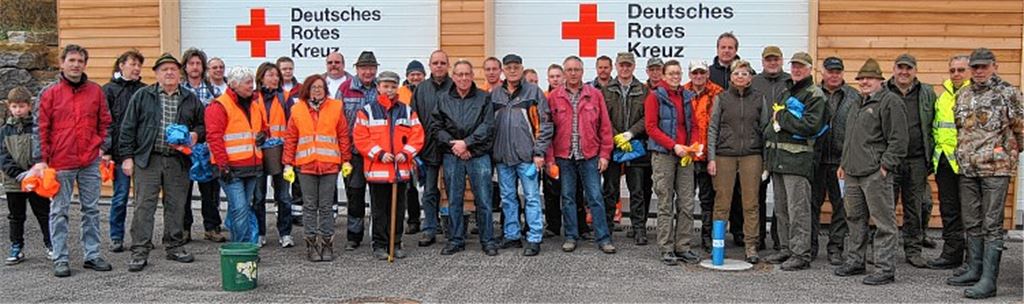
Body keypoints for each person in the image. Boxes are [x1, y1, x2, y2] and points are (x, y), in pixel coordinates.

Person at [947, 48, 1022, 299]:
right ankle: (975, 268)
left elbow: (1021, 128)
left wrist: (1005, 152)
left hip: (996, 168)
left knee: (992, 224)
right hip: (968, 167)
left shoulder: (1008, 93)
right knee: (972, 221)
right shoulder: (964, 94)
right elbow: (961, 129)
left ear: (994, 66)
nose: (978, 71)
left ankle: (989, 280)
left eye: (983, 66)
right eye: (975, 67)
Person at [33, 44, 114, 277]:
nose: (76, 64)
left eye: (80, 60)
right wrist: (41, 159)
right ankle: (60, 258)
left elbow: (106, 123)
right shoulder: (49, 93)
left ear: (85, 64)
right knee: (59, 211)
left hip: (89, 160)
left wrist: (102, 147)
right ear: (62, 63)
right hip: (60, 161)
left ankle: (92, 254)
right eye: (72, 60)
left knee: (91, 209)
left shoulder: (96, 92)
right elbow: (40, 128)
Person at [119, 53, 203, 271]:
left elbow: (202, 125)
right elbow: (127, 128)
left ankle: (174, 245)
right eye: (164, 69)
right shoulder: (142, 96)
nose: (169, 73)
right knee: (143, 206)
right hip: (148, 159)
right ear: (156, 73)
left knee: (176, 205)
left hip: (178, 160)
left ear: (179, 73)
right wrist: (127, 158)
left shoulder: (190, 98)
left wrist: (195, 135)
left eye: (173, 69)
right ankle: (140, 250)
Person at [834, 58, 907, 286]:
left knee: (884, 222)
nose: (864, 82)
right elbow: (850, 138)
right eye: (861, 78)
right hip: (853, 172)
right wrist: (844, 163)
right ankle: (856, 260)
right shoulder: (857, 103)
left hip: (875, 173)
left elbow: (899, 139)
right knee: (855, 218)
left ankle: (885, 268)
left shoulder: (890, 102)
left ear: (880, 80)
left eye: (869, 78)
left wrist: (885, 167)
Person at [762, 52, 827, 271]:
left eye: (802, 66)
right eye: (794, 66)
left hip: (798, 162)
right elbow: (773, 122)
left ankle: (801, 254)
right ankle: (786, 248)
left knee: (798, 209)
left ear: (810, 69)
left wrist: (782, 118)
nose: (797, 69)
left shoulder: (814, 95)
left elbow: (811, 126)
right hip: (779, 159)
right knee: (782, 209)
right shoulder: (786, 91)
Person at [546, 56, 616, 254]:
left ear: (583, 71)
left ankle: (603, 238)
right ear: (564, 72)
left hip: (590, 155)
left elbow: (605, 128)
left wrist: (604, 154)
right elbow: (547, 130)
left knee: (595, 197)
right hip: (564, 156)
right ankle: (570, 236)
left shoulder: (595, 95)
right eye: (569, 69)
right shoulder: (554, 97)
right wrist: (550, 158)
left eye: (577, 69)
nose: (573, 73)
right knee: (567, 197)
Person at [353, 71, 425, 260]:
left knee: (399, 210)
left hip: (400, 171)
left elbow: (417, 136)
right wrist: (379, 154)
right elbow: (361, 138)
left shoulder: (407, 111)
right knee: (379, 211)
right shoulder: (367, 111)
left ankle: (395, 242)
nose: (389, 90)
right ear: (378, 87)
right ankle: (380, 244)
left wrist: (406, 153)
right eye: (386, 86)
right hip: (377, 172)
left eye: (393, 86)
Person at [430, 59, 497, 256]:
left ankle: (488, 240)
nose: (464, 78)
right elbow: (436, 127)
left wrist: (467, 144)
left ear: (473, 75)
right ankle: (456, 240)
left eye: (467, 74)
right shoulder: (443, 99)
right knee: (454, 199)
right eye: (459, 74)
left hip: (478, 154)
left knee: (484, 199)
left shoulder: (484, 98)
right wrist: (455, 145)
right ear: (453, 76)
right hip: (453, 155)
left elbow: (488, 126)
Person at [283, 74, 351, 262]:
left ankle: (327, 244)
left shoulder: (336, 107)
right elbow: (291, 138)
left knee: (327, 207)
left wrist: (346, 160)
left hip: (329, 166)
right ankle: (311, 245)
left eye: (321, 87)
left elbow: (343, 135)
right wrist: (288, 163)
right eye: (313, 87)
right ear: (307, 89)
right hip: (306, 166)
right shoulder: (297, 109)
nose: (317, 90)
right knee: (310, 207)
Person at [707, 59, 769, 264]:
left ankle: (751, 245)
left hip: (751, 155)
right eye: (736, 73)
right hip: (725, 155)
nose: (740, 77)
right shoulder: (722, 98)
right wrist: (712, 157)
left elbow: (765, 129)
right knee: (722, 202)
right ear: (731, 77)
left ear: (751, 77)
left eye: (744, 73)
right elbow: (713, 128)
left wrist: (766, 162)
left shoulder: (759, 99)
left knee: (751, 203)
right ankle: (718, 243)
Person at [490, 54, 553, 256]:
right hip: (502, 157)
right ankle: (512, 235)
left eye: (516, 67)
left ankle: (534, 237)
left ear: (521, 68)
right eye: (508, 67)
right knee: (508, 198)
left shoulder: (533, 92)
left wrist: (539, 151)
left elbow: (545, 124)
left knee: (532, 197)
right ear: (503, 70)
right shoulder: (495, 95)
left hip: (528, 157)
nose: (512, 70)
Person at [645, 59, 703, 265]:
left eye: (678, 73)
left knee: (686, 202)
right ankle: (667, 248)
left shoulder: (686, 96)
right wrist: (673, 146)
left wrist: (695, 144)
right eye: (671, 73)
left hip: (685, 155)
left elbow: (694, 125)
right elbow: (651, 127)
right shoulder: (655, 97)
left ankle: (683, 247)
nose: (675, 76)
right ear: (663, 75)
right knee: (665, 202)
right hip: (664, 155)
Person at [884, 53, 938, 268]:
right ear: (894, 69)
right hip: (889, 160)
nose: (904, 72)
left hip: (916, 160)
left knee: (914, 208)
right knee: (885, 208)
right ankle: (884, 251)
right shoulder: (884, 90)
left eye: (909, 68)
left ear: (915, 70)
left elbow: (933, 126)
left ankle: (913, 251)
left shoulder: (927, 93)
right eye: (900, 67)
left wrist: (931, 157)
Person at [205, 66, 267, 245]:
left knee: (242, 208)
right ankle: (242, 248)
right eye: (248, 83)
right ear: (235, 85)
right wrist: (223, 166)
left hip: (252, 167)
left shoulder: (254, 104)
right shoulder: (219, 106)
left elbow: (262, 128)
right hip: (231, 169)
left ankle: (242, 245)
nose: (252, 86)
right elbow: (214, 138)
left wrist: (264, 134)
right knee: (240, 209)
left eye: (252, 82)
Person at [599, 52, 651, 245]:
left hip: (635, 146)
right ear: (616, 66)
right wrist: (616, 136)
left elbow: (648, 117)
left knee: (637, 190)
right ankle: (607, 229)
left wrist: (630, 133)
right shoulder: (606, 91)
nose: (625, 68)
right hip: (613, 147)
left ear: (634, 66)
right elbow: (602, 117)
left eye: (628, 65)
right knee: (610, 189)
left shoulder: (644, 90)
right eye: (622, 65)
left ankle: (639, 229)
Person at [812, 56, 857, 265]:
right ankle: (810, 247)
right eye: (830, 71)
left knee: (841, 207)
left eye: (837, 71)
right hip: (816, 160)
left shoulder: (853, 96)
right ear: (823, 72)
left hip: (841, 160)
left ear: (842, 73)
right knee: (812, 204)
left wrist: (848, 160)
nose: (834, 75)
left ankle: (835, 247)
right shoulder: (812, 93)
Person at [928, 55, 971, 270]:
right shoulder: (943, 96)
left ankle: (973, 258)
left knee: (972, 213)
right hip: (945, 161)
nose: (956, 74)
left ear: (970, 71)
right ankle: (952, 254)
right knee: (949, 209)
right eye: (953, 70)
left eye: (961, 70)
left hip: (968, 163)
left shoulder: (975, 94)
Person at [180, 48, 227, 243]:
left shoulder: (213, 91)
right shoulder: (179, 90)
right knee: (184, 190)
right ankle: (184, 229)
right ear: (185, 66)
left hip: (207, 147)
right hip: (184, 148)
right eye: (191, 63)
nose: (195, 67)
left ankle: (212, 227)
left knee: (210, 190)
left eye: (198, 63)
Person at [102, 49, 146, 253]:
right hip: (119, 154)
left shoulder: (145, 90)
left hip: (142, 154)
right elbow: (105, 122)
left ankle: (140, 237)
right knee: (120, 196)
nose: (137, 69)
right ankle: (116, 236)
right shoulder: (109, 90)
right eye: (133, 64)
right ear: (121, 65)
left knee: (142, 199)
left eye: (139, 65)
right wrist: (107, 150)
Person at [1, 86, 50, 265]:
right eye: (14, 107)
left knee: (43, 213)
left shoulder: (37, 128)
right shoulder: (4, 131)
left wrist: (32, 172)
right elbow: (3, 157)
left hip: (36, 180)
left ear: (30, 106)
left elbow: (42, 150)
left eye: (22, 106)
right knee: (16, 216)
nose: (18, 110)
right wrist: (18, 174)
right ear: (9, 107)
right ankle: (16, 246)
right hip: (14, 182)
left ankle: (50, 244)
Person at [749, 46, 790, 250]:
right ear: (763, 61)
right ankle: (757, 238)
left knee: (781, 197)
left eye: (776, 59)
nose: (772, 63)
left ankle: (779, 238)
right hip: (759, 147)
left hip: (784, 147)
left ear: (782, 60)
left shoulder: (790, 82)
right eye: (768, 60)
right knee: (756, 195)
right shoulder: (754, 82)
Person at [339, 51, 381, 251]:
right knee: (355, 195)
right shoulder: (345, 88)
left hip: (377, 154)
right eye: (364, 67)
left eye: (372, 68)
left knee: (377, 195)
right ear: (357, 69)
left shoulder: (381, 89)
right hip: (354, 154)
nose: (368, 71)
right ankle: (354, 236)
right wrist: (344, 153)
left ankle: (377, 235)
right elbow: (339, 123)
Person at [411, 50, 452, 247]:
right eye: (435, 63)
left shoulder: (456, 86)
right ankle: (429, 228)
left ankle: (453, 228)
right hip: (427, 148)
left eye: (442, 63)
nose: (439, 66)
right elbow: (412, 120)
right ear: (430, 66)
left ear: (448, 65)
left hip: (452, 147)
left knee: (453, 190)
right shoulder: (421, 89)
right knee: (429, 191)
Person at [684, 59, 725, 252]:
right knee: (685, 198)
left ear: (707, 73)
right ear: (690, 74)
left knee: (708, 200)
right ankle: (684, 237)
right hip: (687, 154)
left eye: (702, 73)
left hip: (709, 155)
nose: (698, 77)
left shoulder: (717, 93)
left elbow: (720, 126)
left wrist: (714, 155)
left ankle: (707, 237)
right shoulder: (683, 92)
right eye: (695, 73)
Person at [253, 62, 294, 248]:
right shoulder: (252, 98)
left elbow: (292, 126)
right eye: (270, 74)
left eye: (276, 75)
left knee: (284, 196)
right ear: (261, 77)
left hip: (281, 151)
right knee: (258, 196)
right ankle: (260, 232)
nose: (275, 78)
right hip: (257, 152)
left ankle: (285, 233)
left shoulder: (285, 98)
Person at [398, 59, 426, 235]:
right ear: (407, 76)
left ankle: (434, 220)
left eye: (418, 74)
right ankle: (413, 220)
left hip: (427, 143)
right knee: (409, 186)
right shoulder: (400, 93)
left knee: (431, 186)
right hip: (406, 145)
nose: (415, 77)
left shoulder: (428, 90)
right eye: (412, 74)